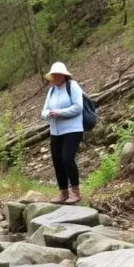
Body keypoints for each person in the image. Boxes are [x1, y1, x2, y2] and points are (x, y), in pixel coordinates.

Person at [41, 62, 85, 205]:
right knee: (57, 161)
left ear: (64, 75)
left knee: (67, 158)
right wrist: (48, 114)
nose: (56, 76)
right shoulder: (52, 91)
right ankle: (63, 193)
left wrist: (59, 113)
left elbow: (78, 107)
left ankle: (75, 192)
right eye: (54, 75)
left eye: (59, 74)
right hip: (55, 131)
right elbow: (44, 111)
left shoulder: (72, 86)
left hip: (73, 129)